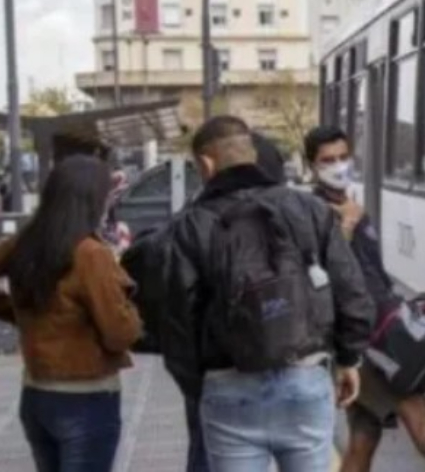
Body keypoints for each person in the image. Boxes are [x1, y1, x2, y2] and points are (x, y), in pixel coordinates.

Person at [136, 116, 374, 472]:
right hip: (305, 377)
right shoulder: (308, 210)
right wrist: (349, 359)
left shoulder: (189, 226)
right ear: (250, 153)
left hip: (227, 386)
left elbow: (177, 321)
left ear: (206, 163)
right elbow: (353, 293)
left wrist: (199, 385)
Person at [301, 126, 425, 472]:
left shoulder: (350, 206)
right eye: (328, 160)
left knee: (363, 438)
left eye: (342, 157)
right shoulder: (313, 211)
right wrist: (346, 229)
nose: (338, 166)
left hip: (379, 329)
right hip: (365, 340)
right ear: (311, 166)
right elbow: (316, 275)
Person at [122, 129, 289, 472]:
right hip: (289, 371)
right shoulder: (298, 216)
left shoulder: (197, 220)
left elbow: (147, 271)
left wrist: (191, 377)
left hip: (215, 373)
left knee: (209, 452)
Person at [0, 155, 143, 472]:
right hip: (86, 398)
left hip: (36, 394)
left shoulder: (26, 242)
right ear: (92, 199)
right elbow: (120, 334)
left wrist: (19, 313)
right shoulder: (91, 254)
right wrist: (132, 312)